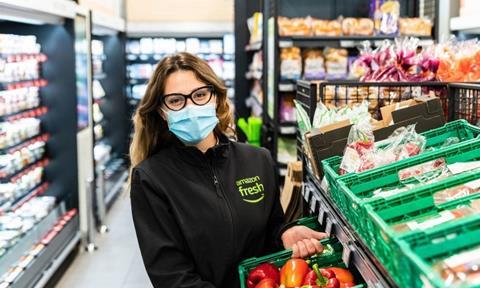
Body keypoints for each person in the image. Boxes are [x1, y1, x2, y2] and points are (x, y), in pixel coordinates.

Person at [129, 52, 327, 288]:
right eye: (175, 101)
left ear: (215, 97)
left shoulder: (258, 160)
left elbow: (270, 230)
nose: (190, 107)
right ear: (162, 111)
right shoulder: (151, 179)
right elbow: (172, 277)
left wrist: (284, 233)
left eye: (200, 95)